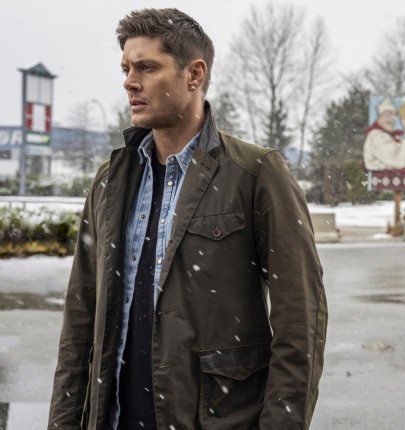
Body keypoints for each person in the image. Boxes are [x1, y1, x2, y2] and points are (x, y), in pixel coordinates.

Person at [48, 8, 327, 430]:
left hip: (218, 420)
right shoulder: (110, 181)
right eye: (126, 68)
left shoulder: (254, 173)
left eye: (147, 67)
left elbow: (300, 321)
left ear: (194, 74)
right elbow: (79, 321)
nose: (129, 82)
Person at [363, 97, 405, 171]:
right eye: (387, 115)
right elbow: (399, 162)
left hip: (394, 176)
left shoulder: (390, 137)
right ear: (380, 117)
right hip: (383, 176)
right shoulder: (377, 136)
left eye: (393, 116)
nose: (391, 119)